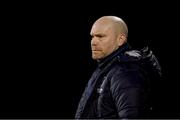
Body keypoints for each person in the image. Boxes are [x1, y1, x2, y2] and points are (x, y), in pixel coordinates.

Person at [75, 16, 161, 119]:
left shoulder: (126, 71)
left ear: (120, 39)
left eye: (100, 36)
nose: (93, 42)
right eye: (92, 36)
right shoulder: (106, 67)